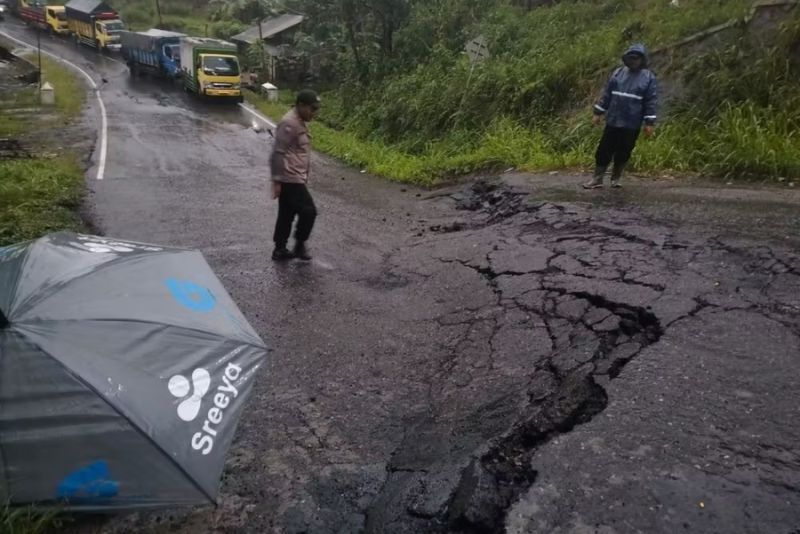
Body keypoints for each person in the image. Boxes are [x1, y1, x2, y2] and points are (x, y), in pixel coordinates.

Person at [584, 43, 658, 189]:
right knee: (604, 149)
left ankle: (616, 178)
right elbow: (607, 95)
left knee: (624, 150)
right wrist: (598, 113)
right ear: (626, 59)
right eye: (631, 58)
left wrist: (649, 123)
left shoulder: (648, 78)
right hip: (613, 120)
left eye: (637, 58)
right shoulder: (618, 73)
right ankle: (597, 179)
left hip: (632, 122)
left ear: (642, 60)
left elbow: (651, 101)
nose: (634, 61)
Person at [270, 89, 321, 261]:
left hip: (293, 177)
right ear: (301, 105)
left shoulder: (300, 121)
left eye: (316, 109)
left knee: (287, 214)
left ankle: (280, 249)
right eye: (312, 109)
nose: (314, 112)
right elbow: (277, 153)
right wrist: (277, 180)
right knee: (309, 211)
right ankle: (299, 245)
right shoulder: (289, 123)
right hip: (289, 178)